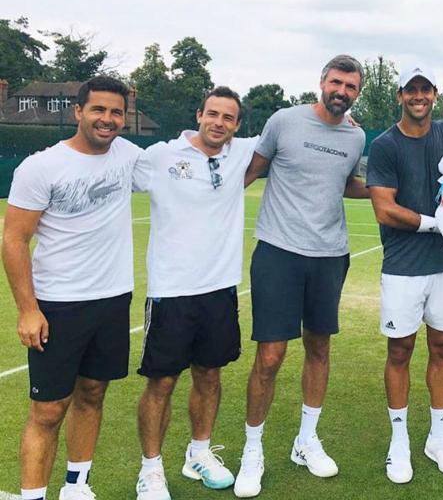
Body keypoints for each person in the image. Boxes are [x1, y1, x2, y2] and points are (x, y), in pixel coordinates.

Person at [233, 55, 368, 498]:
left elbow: (347, 182)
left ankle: (305, 440)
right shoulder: (283, 121)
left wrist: (395, 188)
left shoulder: (356, 136)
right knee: (270, 356)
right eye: (336, 82)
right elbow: (248, 174)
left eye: (350, 87)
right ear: (322, 82)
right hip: (278, 252)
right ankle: (252, 449)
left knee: (319, 348)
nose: (342, 92)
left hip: (330, 256)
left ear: (357, 93)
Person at [2, 77, 141, 500]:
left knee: (93, 393)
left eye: (116, 112)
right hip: (58, 304)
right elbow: (13, 239)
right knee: (47, 410)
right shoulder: (41, 167)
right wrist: (28, 309)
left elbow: (179, 163)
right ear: (78, 112)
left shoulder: (129, 155)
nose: (108, 119)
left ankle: (76, 487)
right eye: (98, 109)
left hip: (113, 300)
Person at [133, 87, 257, 500]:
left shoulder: (240, 152)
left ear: (237, 126)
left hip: (220, 290)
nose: (219, 123)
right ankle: (151, 469)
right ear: (199, 114)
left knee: (209, 374)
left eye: (228, 118)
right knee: (162, 382)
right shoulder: (159, 157)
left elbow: (292, 132)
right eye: (213, 114)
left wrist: (343, 120)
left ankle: (198, 453)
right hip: (171, 291)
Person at [367, 65, 443, 484]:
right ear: (400, 96)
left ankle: (439, 436)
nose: (418, 96)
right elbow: (384, 209)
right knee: (400, 351)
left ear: (435, 94)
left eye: (425, 89)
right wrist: (439, 223)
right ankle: (399, 441)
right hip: (403, 268)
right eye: (410, 90)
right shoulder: (384, 145)